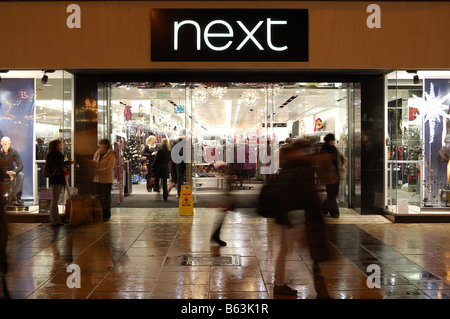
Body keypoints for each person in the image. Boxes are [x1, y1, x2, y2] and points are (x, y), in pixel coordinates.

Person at [45, 139, 73, 226]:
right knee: (55, 199)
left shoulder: (50, 154)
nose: (61, 145)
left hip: (53, 178)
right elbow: (59, 164)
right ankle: (55, 220)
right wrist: (68, 163)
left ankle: (53, 218)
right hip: (57, 178)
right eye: (60, 144)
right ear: (56, 145)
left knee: (54, 198)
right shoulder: (56, 154)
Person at [93, 139, 118, 222]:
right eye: (100, 144)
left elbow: (109, 167)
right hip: (97, 179)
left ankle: (106, 214)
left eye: (102, 144)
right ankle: (99, 213)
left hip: (106, 179)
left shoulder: (111, 155)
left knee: (106, 197)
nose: (100, 146)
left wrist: (99, 170)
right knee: (98, 197)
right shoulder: (97, 153)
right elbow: (94, 163)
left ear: (106, 145)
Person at [319, 133, 341, 219]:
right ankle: (334, 212)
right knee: (332, 195)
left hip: (335, 174)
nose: (333, 142)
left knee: (332, 194)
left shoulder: (332, 149)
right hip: (329, 175)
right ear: (329, 141)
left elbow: (339, 159)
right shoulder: (325, 150)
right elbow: (321, 165)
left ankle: (324, 208)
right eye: (332, 140)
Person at [0, 137, 24, 205]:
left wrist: (14, 172)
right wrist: (6, 172)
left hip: (11, 172)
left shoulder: (14, 152)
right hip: (2, 173)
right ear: (1, 143)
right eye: (4, 144)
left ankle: (17, 197)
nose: (6, 145)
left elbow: (20, 164)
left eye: (8, 143)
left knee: (21, 175)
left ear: (10, 143)